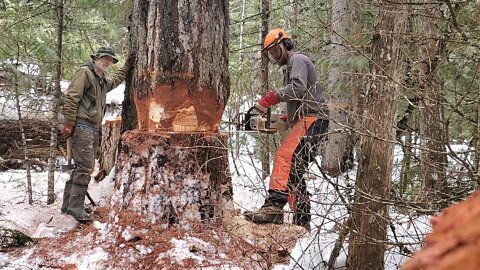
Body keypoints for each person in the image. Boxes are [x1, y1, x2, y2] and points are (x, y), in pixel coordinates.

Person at [243, 29, 329, 229]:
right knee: (295, 171)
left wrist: (271, 97)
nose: (273, 56)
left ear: (285, 44)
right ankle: (302, 220)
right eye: (270, 53)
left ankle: (273, 207)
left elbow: (297, 89)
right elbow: (301, 98)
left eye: (274, 51)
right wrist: (284, 119)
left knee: (285, 157)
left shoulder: (297, 59)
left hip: (314, 118)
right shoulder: (289, 67)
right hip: (308, 118)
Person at [60, 47, 135, 222]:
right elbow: (71, 97)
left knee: (81, 166)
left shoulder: (100, 79)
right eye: (104, 58)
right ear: (96, 58)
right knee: (85, 167)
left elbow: (115, 80)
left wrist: (126, 67)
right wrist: (69, 123)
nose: (107, 62)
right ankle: (75, 207)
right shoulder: (85, 73)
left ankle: (68, 206)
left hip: (92, 127)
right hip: (81, 126)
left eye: (110, 60)